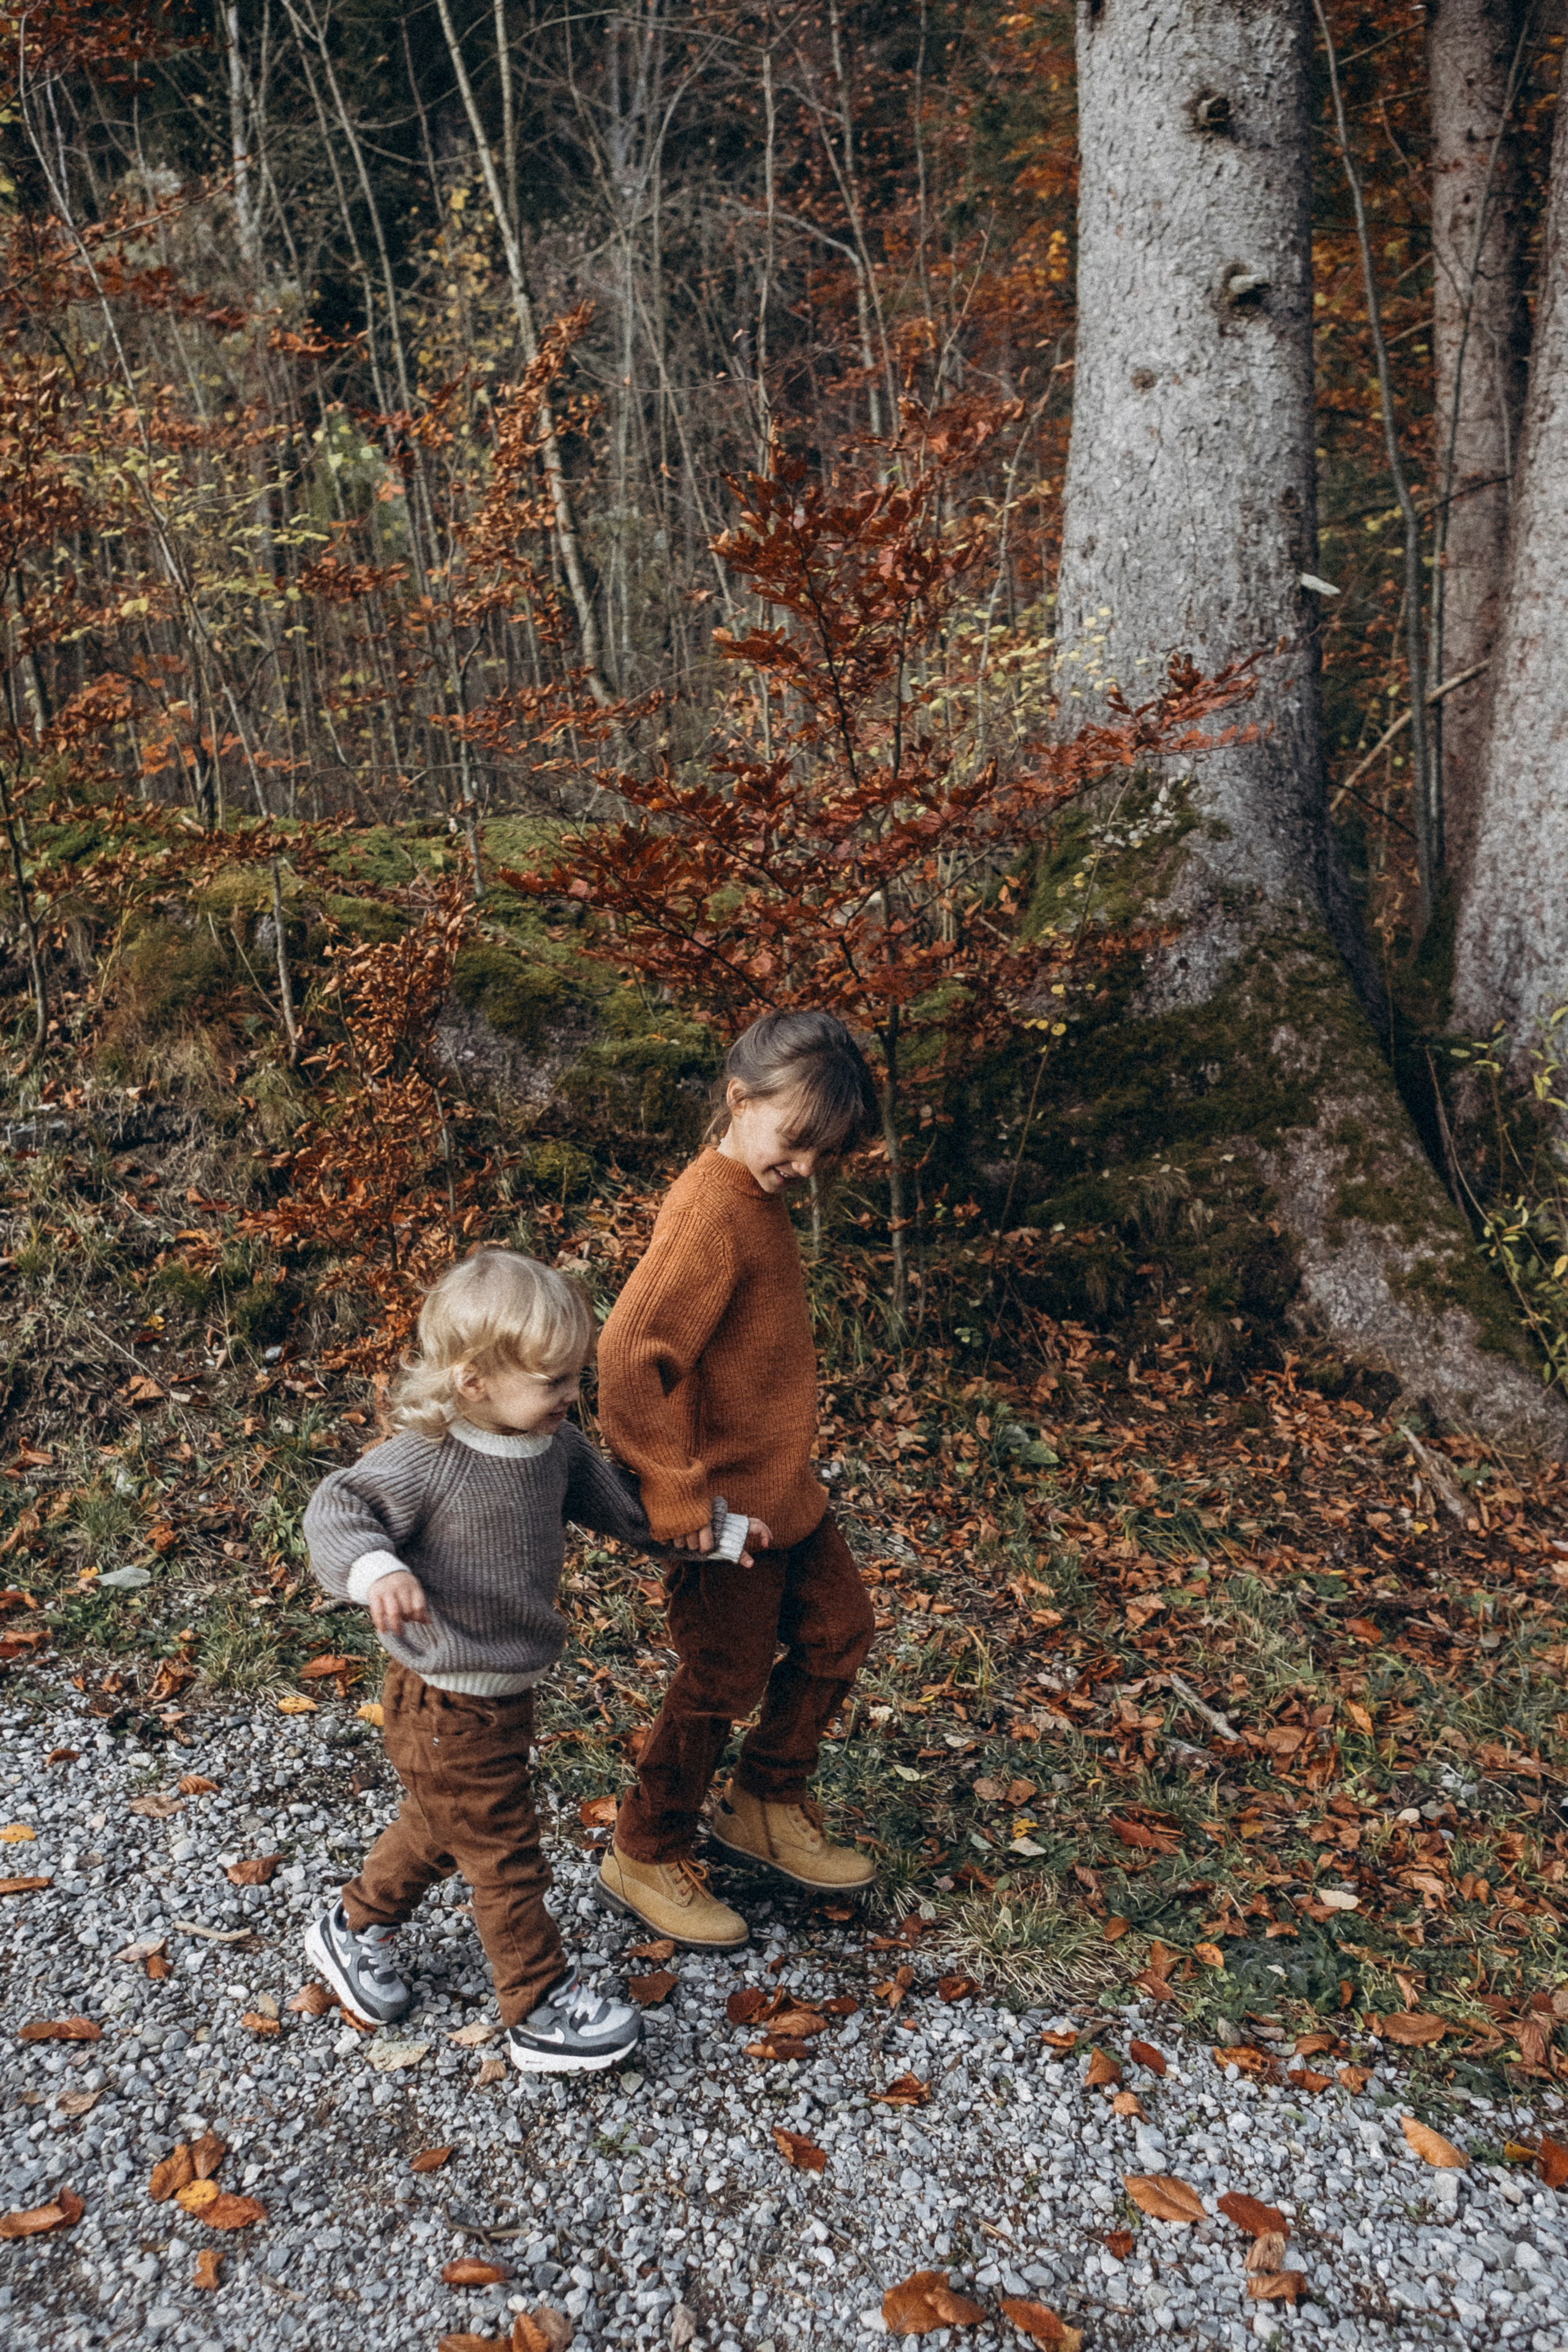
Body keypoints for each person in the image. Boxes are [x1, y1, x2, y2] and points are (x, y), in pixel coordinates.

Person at [302, 1249, 655, 2074]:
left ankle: (353, 1928)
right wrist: (376, 1568)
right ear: (473, 1382)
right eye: (553, 1381)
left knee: (440, 1821)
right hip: (439, 1697)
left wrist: (719, 1533)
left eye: (575, 1377)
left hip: (503, 1696)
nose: (572, 1398)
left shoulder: (555, 1447)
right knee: (504, 1850)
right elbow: (338, 1506)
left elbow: (631, 1516)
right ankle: (536, 2004)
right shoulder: (429, 1456)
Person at [595, 1008, 882, 1948]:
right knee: (722, 1675)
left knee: (840, 1631)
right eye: (797, 1143)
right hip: (722, 1511)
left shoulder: (755, 1202)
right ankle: (646, 1845)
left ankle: (766, 1800)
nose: (805, 1169)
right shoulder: (710, 1207)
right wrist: (675, 1493)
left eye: (823, 1156)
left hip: (786, 1494)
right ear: (739, 1100)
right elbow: (631, 1350)